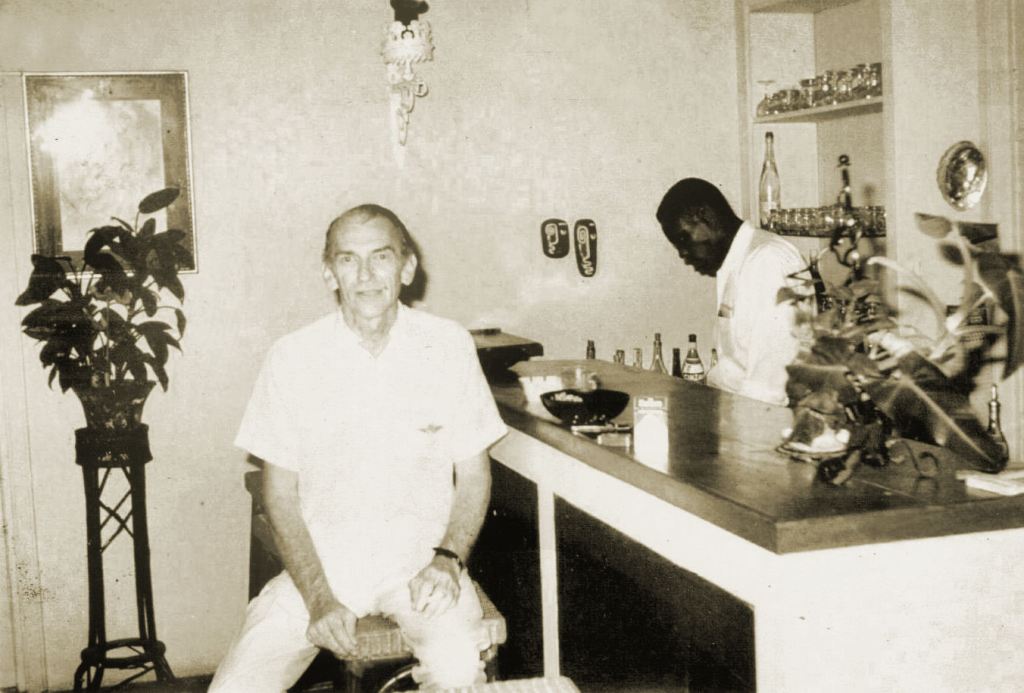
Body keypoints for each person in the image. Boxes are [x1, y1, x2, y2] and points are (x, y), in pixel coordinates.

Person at [209, 204, 507, 692]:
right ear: (329, 273)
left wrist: (448, 561)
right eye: (348, 260)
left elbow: (474, 476)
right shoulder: (293, 357)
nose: (366, 275)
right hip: (324, 566)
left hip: (422, 566)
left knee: (457, 672)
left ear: (407, 268)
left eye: (381, 257)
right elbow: (278, 494)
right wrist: (319, 597)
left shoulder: (447, 346)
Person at [656, 178, 804, 405]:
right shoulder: (737, 263)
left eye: (684, 238)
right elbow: (734, 365)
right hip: (746, 410)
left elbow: (770, 382)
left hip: (765, 419)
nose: (683, 254)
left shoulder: (766, 260)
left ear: (706, 217)